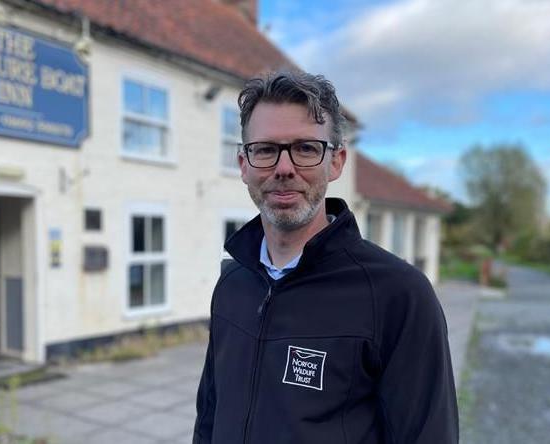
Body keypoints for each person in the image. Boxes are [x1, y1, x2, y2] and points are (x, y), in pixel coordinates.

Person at [193, 70, 458, 443]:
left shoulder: (399, 296)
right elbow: (210, 412)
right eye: (266, 149)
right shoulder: (233, 284)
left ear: (336, 162)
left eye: (305, 148)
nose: (284, 169)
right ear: (243, 164)